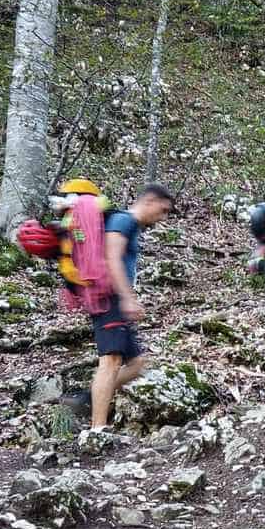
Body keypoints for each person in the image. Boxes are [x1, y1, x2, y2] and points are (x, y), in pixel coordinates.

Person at [66, 182, 175, 431]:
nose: (163, 217)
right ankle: (98, 428)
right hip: (110, 299)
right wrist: (127, 297)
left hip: (113, 300)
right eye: (163, 210)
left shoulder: (129, 225)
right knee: (111, 361)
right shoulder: (123, 221)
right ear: (149, 201)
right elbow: (111, 257)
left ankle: (86, 399)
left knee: (136, 364)